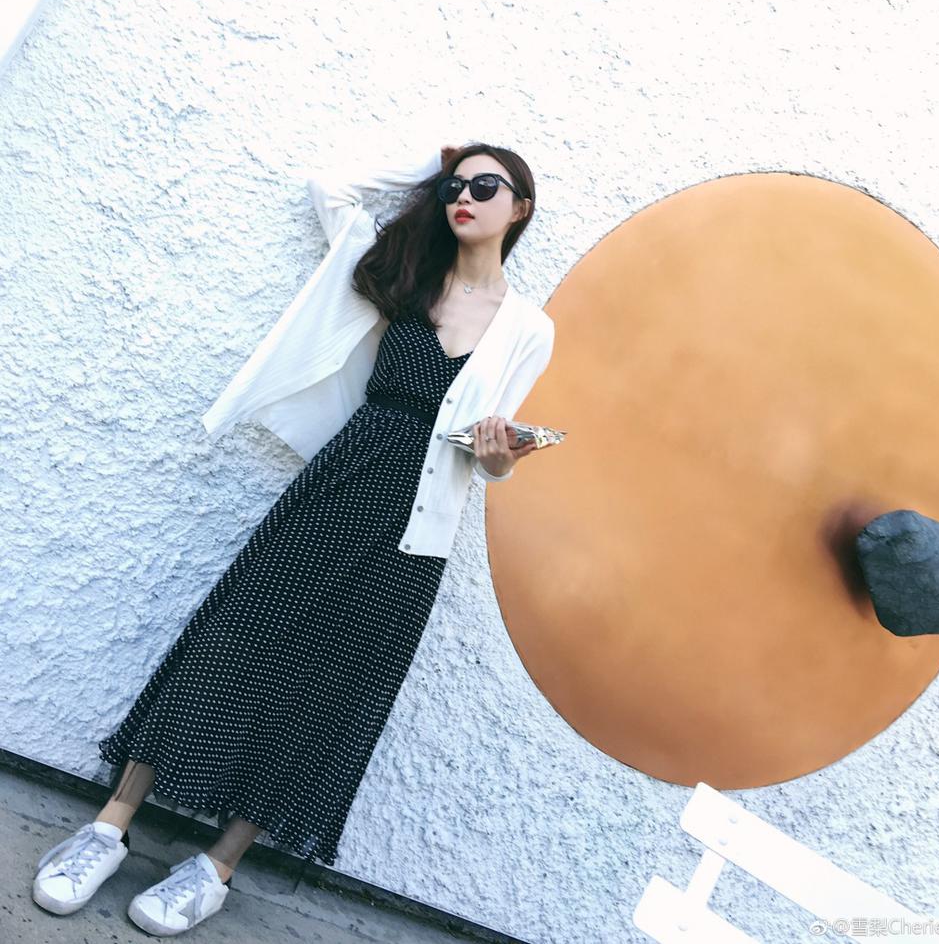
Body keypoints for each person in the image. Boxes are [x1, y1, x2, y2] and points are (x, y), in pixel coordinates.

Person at [31, 136, 556, 935]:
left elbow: (486, 453)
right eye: (454, 185)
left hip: (412, 537)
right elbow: (331, 188)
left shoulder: (529, 327)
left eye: (486, 187)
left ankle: (216, 867)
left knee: (328, 693)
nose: (464, 196)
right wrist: (431, 159)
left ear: (520, 209)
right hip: (337, 488)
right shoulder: (406, 274)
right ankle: (107, 828)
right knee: (230, 642)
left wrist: (500, 459)